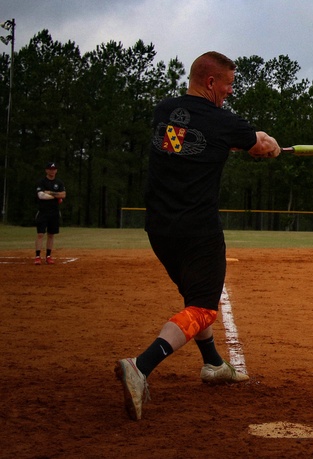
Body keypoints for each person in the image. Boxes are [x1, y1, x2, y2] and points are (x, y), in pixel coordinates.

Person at [114, 51, 282, 421]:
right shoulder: (223, 121)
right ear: (211, 82)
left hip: (159, 228)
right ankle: (140, 366)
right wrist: (266, 146)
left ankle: (213, 365)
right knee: (204, 306)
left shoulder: (165, 112)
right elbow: (258, 143)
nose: (230, 91)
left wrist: (241, 141)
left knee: (193, 297)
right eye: (228, 84)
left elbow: (203, 139)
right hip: (197, 228)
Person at [34, 162, 67, 265]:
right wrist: (56, 196)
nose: (52, 171)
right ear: (46, 170)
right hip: (43, 212)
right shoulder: (41, 182)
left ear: (56, 170)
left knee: (51, 234)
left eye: (54, 169)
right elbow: (41, 195)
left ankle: (48, 256)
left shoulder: (59, 182)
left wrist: (50, 193)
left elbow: (63, 195)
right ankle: (37, 256)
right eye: (50, 169)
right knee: (40, 234)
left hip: (54, 212)